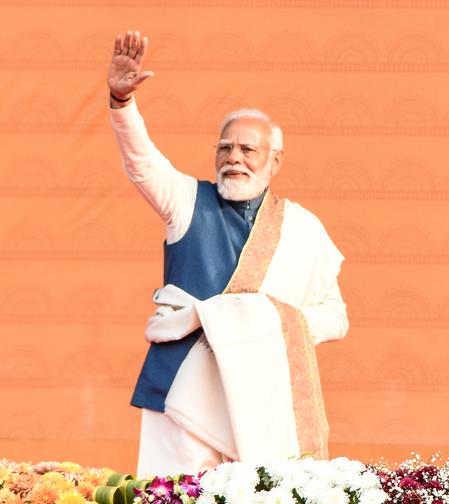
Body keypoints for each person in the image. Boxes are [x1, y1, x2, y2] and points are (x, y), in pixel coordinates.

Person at [108, 30, 349, 478]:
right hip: (182, 391)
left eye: (248, 149)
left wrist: (262, 325)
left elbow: (336, 317)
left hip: (261, 402)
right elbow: (142, 162)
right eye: (225, 147)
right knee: (178, 496)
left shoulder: (303, 228)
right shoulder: (186, 201)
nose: (234, 157)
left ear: (275, 160)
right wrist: (122, 102)